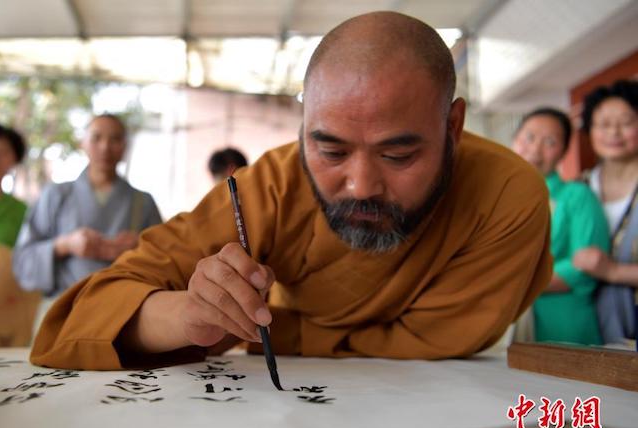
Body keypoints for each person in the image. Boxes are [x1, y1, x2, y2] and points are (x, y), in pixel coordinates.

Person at [31, 12, 552, 370]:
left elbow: (446, 338)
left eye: (398, 155)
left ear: (453, 126)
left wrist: (270, 331)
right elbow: (77, 320)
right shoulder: (274, 184)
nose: (361, 185)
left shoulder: (506, 194)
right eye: (330, 151)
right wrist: (187, 314)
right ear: (304, 127)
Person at [13, 114, 162, 299]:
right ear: (81, 143)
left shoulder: (143, 202)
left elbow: (164, 260)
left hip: (124, 308)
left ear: (125, 146)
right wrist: (65, 245)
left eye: (115, 139)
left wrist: (139, 247)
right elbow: (22, 261)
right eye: (96, 138)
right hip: (65, 307)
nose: (105, 147)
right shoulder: (56, 195)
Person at [512, 108, 609, 345]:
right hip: (506, 323)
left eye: (550, 142)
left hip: (563, 326)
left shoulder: (577, 196)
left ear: (564, 151)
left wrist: (510, 283)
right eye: (529, 137)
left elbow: (582, 268)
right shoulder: (497, 198)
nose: (535, 149)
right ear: (515, 140)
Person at [573, 80, 638, 344]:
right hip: (586, 326)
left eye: (625, 122)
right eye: (603, 124)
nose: (614, 132)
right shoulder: (578, 188)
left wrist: (612, 272)